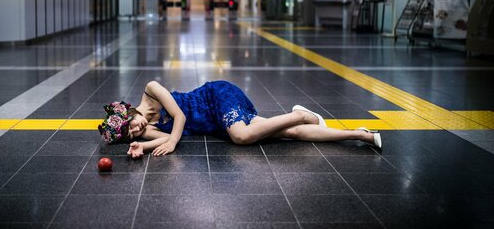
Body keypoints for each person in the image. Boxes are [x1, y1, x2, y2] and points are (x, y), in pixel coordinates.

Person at [98, 80, 381, 158]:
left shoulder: (151, 90)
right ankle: (360, 134)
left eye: (130, 125)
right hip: (217, 124)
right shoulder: (144, 133)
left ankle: (299, 114)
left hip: (216, 97)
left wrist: (171, 142)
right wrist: (142, 146)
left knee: (241, 137)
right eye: (130, 134)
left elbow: (180, 117)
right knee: (290, 134)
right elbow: (166, 139)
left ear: (129, 111)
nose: (136, 130)